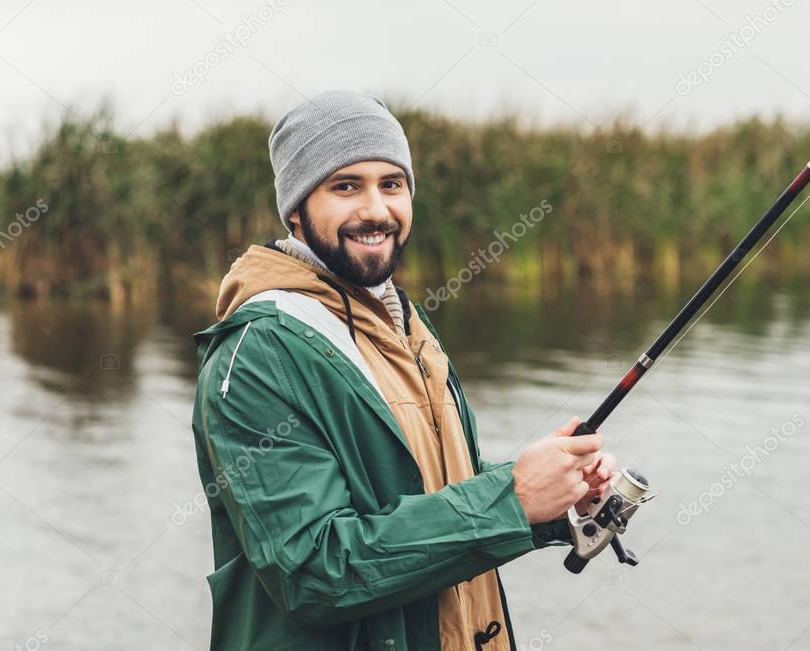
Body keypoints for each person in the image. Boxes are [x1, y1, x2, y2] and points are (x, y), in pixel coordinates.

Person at [191, 90, 614, 650]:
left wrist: (554, 499)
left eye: (392, 184)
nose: (375, 209)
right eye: (346, 186)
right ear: (295, 209)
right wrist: (508, 499)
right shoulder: (258, 352)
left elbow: (423, 486)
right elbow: (313, 571)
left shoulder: (401, 321)